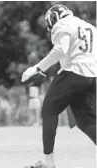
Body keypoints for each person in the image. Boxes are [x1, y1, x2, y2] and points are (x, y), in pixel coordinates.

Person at [21, 4, 96, 168]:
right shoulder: (89, 26)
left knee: (48, 110)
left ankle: (49, 164)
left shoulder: (62, 25)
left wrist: (38, 67)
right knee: (86, 121)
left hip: (74, 72)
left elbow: (61, 49)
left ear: (54, 18)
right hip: (92, 77)